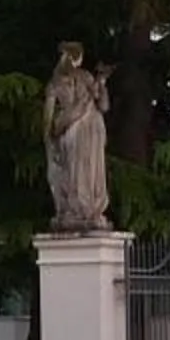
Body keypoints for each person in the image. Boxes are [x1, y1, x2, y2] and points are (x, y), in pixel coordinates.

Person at [45, 44, 111, 232]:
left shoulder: (53, 83)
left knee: (74, 171)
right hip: (91, 127)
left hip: (71, 130)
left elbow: (48, 120)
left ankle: (75, 210)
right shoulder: (86, 77)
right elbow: (104, 105)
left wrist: (52, 139)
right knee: (89, 171)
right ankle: (87, 210)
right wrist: (102, 83)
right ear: (78, 57)